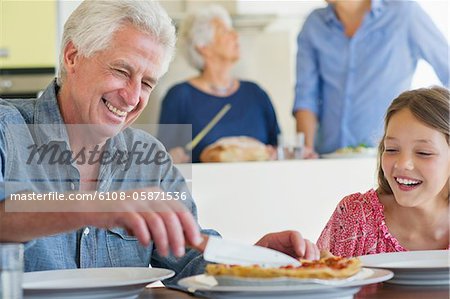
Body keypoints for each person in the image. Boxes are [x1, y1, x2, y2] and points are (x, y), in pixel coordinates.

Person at [0, 0, 319, 286]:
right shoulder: (7, 129)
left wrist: (253, 261)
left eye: (147, 82)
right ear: (73, 56)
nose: (133, 96)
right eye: (121, 70)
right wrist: (96, 208)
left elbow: (189, 258)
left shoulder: (148, 157)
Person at [293, 0, 449, 158]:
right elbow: (306, 96)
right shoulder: (314, 25)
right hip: (328, 156)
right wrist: (306, 151)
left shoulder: (404, 13)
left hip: (386, 158)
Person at [317, 86, 450, 257]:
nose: (403, 164)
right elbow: (321, 276)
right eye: (392, 149)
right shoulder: (355, 216)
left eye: (423, 153)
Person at [158, 5, 280, 163]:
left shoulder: (256, 93)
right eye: (225, 31)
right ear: (203, 47)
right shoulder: (179, 97)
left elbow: (278, 147)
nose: (235, 35)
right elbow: (163, 161)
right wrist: (172, 157)